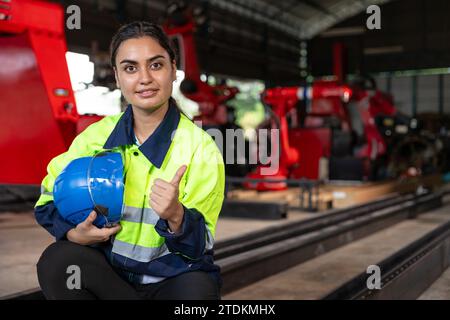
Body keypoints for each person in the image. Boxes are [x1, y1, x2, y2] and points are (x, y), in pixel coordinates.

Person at [34, 21, 225, 300]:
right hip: (111, 279)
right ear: (117, 75)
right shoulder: (95, 137)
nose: (144, 78)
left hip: (171, 280)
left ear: (173, 69)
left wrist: (177, 216)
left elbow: (200, 246)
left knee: (199, 293)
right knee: (58, 262)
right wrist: (73, 234)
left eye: (156, 65)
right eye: (130, 68)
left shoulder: (201, 148)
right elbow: (46, 201)